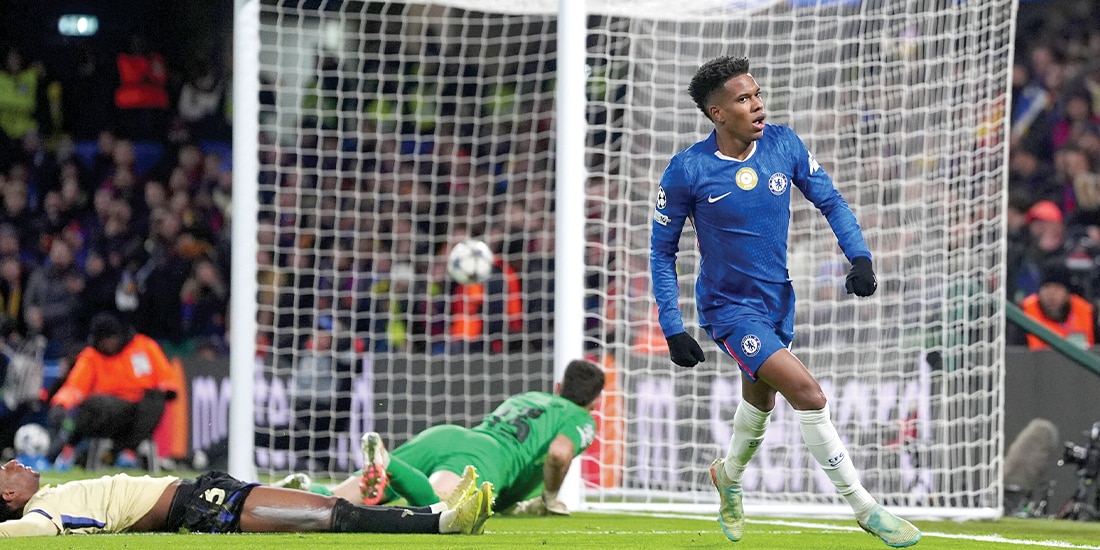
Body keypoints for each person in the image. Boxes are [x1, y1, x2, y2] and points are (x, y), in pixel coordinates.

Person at [649, 56, 920, 547]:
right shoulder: (688, 170)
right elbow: (661, 251)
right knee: (809, 395)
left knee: (762, 398)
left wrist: (859, 257)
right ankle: (864, 507)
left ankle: (727, 476)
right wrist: (673, 324)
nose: (758, 105)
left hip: (777, 301)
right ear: (717, 113)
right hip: (729, 310)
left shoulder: (783, 144)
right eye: (744, 99)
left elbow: (831, 200)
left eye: (757, 94)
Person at [288, 358, 604, 516]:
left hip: (449, 436)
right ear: (594, 403)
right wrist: (549, 499)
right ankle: (387, 462)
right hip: (487, 457)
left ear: (558, 388)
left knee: (336, 499)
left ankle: (296, 489)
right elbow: (559, 454)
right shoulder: (580, 417)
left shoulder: (532, 397)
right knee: (440, 510)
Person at [0, 459, 492, 536]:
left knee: (324, 509)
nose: (15, 463)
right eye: (7, 469)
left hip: (201, 493)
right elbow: (30, 531)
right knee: (324, 515)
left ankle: (432, 510)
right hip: (198, 506)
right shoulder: (43, 511)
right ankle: (443, 524)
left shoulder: (55, 492)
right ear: (7, 494)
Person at [48, 313, 179, 470]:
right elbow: (75, 387)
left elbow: (165, 376)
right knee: (90, 406)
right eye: (104, 341)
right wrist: (61, 404)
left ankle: (125, 452)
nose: (109, 344)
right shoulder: (91, 356)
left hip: (142, 409)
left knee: (156, 398)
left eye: (111, 339)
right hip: (109, 410)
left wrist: (169, 389)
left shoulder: (144, 346)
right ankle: (64, 452)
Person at [1017, 262, 1097, 350]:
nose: (1051, 294)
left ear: (1068, 294)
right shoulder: (1023, 314)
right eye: (1046, 287)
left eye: (1057, 288)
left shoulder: (1088, 313)